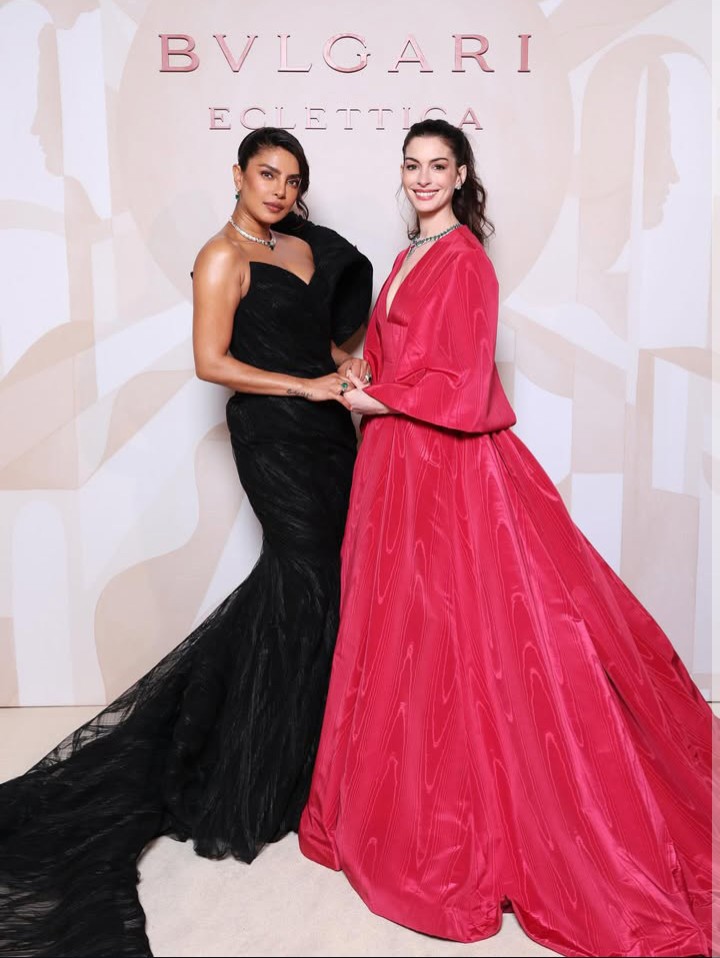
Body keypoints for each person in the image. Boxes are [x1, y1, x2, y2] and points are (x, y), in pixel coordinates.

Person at [298, 119, 716, 958]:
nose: (423, 178)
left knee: (470, 635)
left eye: (438, 166)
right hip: (394, 465)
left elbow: (462, 380)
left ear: (461, 175)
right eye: (412, 165)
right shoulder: (408, 256)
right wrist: (364, 376)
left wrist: (380, 399)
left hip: (443, 468)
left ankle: (466, 815)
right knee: (401, 630)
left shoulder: (465, 261)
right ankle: (398, 797)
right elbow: (399, 357)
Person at [0, 127, 372, 958]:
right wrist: (304, 387)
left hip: (328, 435)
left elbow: (318, 338)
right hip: (273, 435)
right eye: (266, 174)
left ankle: (301, 755)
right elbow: (212, 361)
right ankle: (251, 766)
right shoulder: (219, 256)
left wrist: (342, 370)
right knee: (303, 576)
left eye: (292, 179)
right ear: (237, 173)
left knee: (322, 584)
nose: (279, 190)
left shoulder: (302, 246)